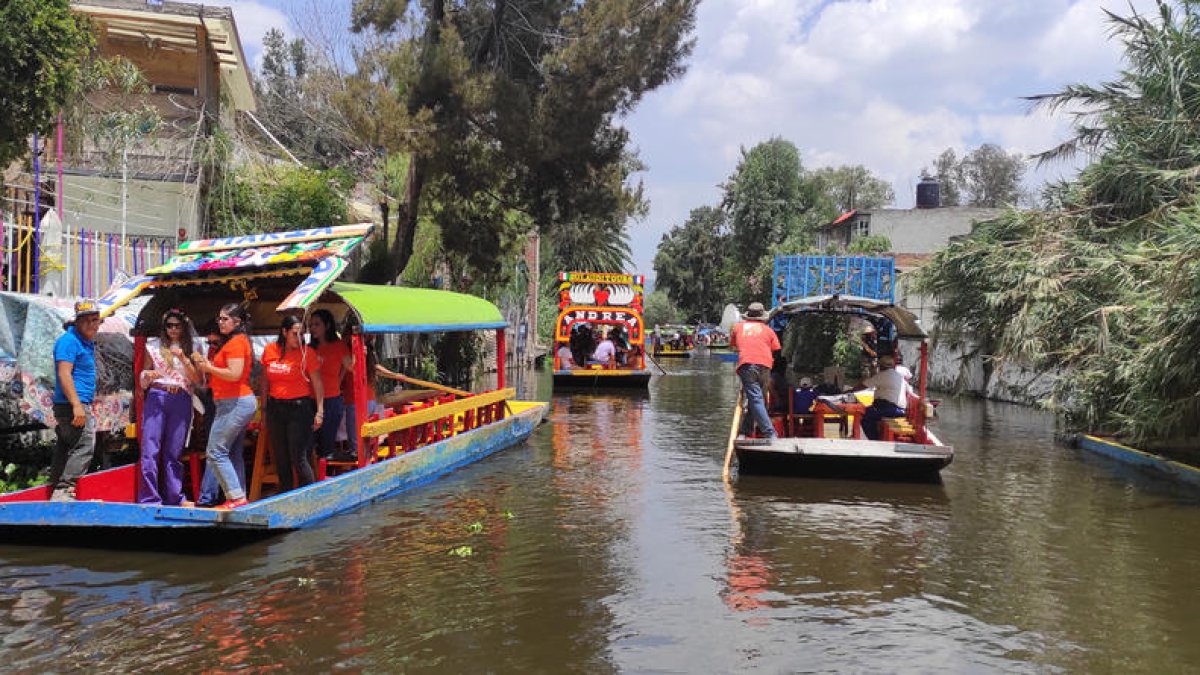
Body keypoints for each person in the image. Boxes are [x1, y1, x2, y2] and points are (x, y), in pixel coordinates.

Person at [191, 304, 256, 509]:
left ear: (237, 322)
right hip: (230, 402)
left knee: (216, 451)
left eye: (225, 319)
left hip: (235, 402)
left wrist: (208, 366)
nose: (220, 322)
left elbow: (234, 374)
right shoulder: (234, 341)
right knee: (226, 452)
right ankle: (237, 497)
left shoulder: (237, 342)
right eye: (219, 319)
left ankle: (236, 498)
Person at [137, 308, 203, 506]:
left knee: (173, 451)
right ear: (164, 328)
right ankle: (149, 498)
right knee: (150, 449)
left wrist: (184, 359)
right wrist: (147, 376)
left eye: (177, 325)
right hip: (157, 396)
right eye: (169, 325)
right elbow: (143, 376)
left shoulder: (193, 348)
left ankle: (175, 496)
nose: (173, 329)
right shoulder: (154, 346)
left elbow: (197, 380)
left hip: (181, 397)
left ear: (183, 327)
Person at [48, 300, 104, 501]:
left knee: (66, 446)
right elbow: (64, 374)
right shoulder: (69, 341)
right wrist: (77, 405)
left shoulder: (84, 342)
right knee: (84, 446)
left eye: (95, 320)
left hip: (74, 404)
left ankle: (54, 490)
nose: (92, 324)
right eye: (86, 320)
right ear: (77, 322)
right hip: (72, 404)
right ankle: (64, 490)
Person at [262, 315, 324, 493]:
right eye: (295, 334)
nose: (299, 338)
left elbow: (317, 383)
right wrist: (265, 411)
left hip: (299, 408)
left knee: (299, 457)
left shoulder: (307, 353)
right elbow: (264, 381)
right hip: (276, 407)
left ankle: (309, 497)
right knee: (281, 458)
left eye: (301, 334)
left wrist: (320, 411)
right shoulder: (270, 350)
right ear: (284, 332)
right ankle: (286, 495)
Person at [731, 302, 781, 439]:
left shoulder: (738, 328)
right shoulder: (768, 330)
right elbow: (776, 348)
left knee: (756, 399)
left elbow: (734, 345)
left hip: (747, 364)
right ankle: (745, 431)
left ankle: (770, 433)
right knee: (758, 400)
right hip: (765, 365)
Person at [308, 309, 352, 461]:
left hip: (332, 401)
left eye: (317, 324)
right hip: (310, 400)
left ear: (327, 326)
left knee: (326, 447)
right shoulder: (308, 349)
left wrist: (361, 353)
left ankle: (324, 479)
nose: (312, 328)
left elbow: (351, 366)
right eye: (311, 325)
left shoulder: (338, 346)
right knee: (308, 445)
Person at [859, 354, 907, 440]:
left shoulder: (883, 375)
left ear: (881, 366)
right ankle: (877, 437)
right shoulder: (899, 376)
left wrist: (848, 391)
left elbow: (863, 385)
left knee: (865, 417)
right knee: (870, 410)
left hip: (891, 409)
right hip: (899, 409)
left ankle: (875, 440)